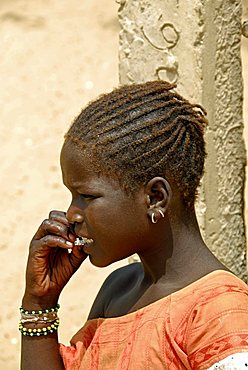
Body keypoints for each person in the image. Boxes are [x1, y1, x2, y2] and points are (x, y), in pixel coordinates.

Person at [20, 81, 248, 370]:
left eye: (87, 196)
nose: (72, 214)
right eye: (72, 196)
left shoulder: (220, 311)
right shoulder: (118, 290)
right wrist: (39, 304)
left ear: (155, 197)